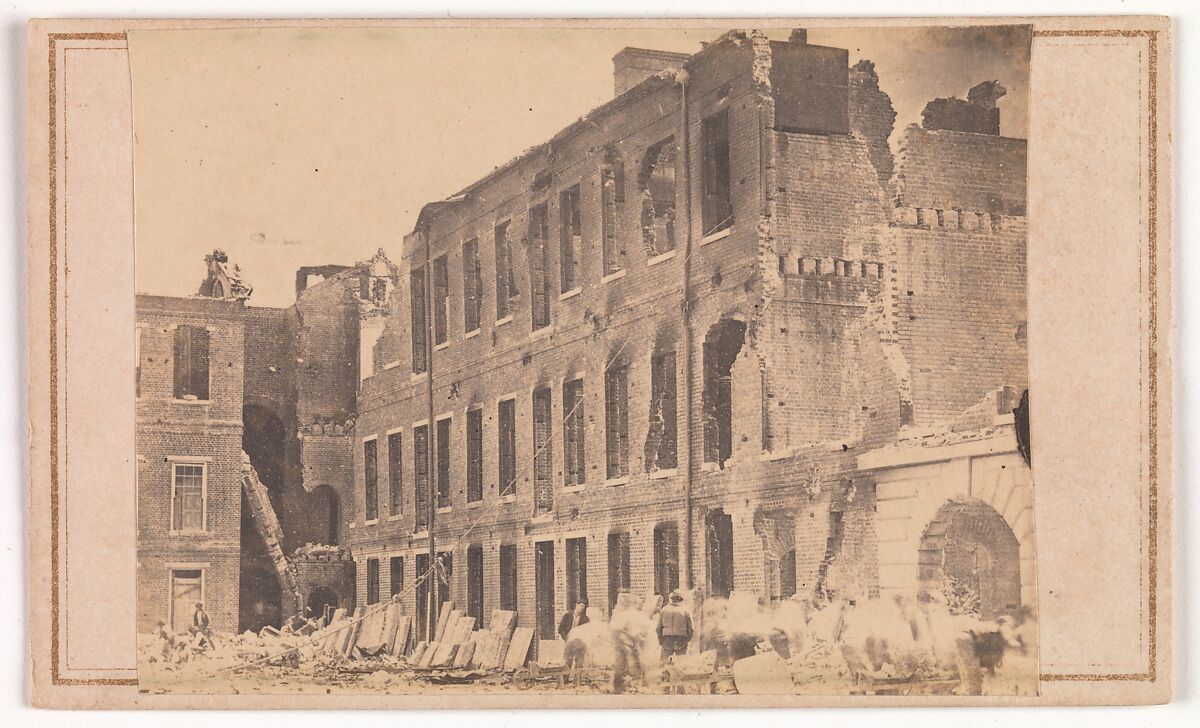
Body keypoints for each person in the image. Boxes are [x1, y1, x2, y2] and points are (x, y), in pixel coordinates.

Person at [657, 591, 694, 663]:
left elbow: (658, 628)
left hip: (667, 639)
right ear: (681, 599)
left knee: (664, 662)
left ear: (672, 599)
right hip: (681, 639)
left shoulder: (664, 609)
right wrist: (687, 639)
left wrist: (661, 640)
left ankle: (664, 674)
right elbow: (691, 628)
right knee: (681, 662)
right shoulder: (686, 610)